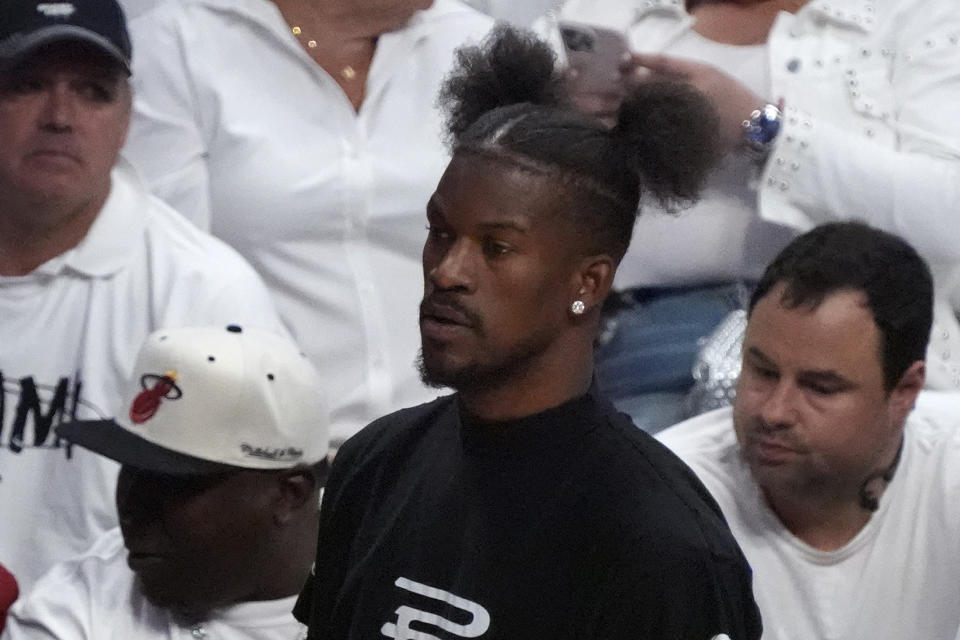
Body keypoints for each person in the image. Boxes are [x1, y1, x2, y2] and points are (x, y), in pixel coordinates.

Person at [292, 28, 762, 640]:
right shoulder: (375, 464)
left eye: (497, 247)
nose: (448, 271)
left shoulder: (660, 545)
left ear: (589, 282)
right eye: (441, 232)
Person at [544, 0, 960, 431]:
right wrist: (569, 130)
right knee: (635, 485)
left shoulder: (912, 14)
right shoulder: (608, 11)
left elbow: (949, 210)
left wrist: (763, 129)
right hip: (645, 336)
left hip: (851, 340)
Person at [0, 0, 286, 591]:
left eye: (92, 92)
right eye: (28, 86)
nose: (59, 116)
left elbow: (256, 545)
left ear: (127, 117)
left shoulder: (203, 293)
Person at [120, 0, 494, 447]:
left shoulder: (480, 44)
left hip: (460, 444)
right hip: (260, 449)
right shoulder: (180, 41)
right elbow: (167, 274)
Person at [657, 222, 960, 640]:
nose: (775, 411)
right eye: (762, 371)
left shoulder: (950, 467)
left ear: (905, 390)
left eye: (820, 387)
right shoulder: (665, 500)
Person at [2, 325, 329, 639]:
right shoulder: (76, 604)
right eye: (129, 469)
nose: (131, 506)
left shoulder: (373, 588)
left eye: (172, 482)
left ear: (289, 494)